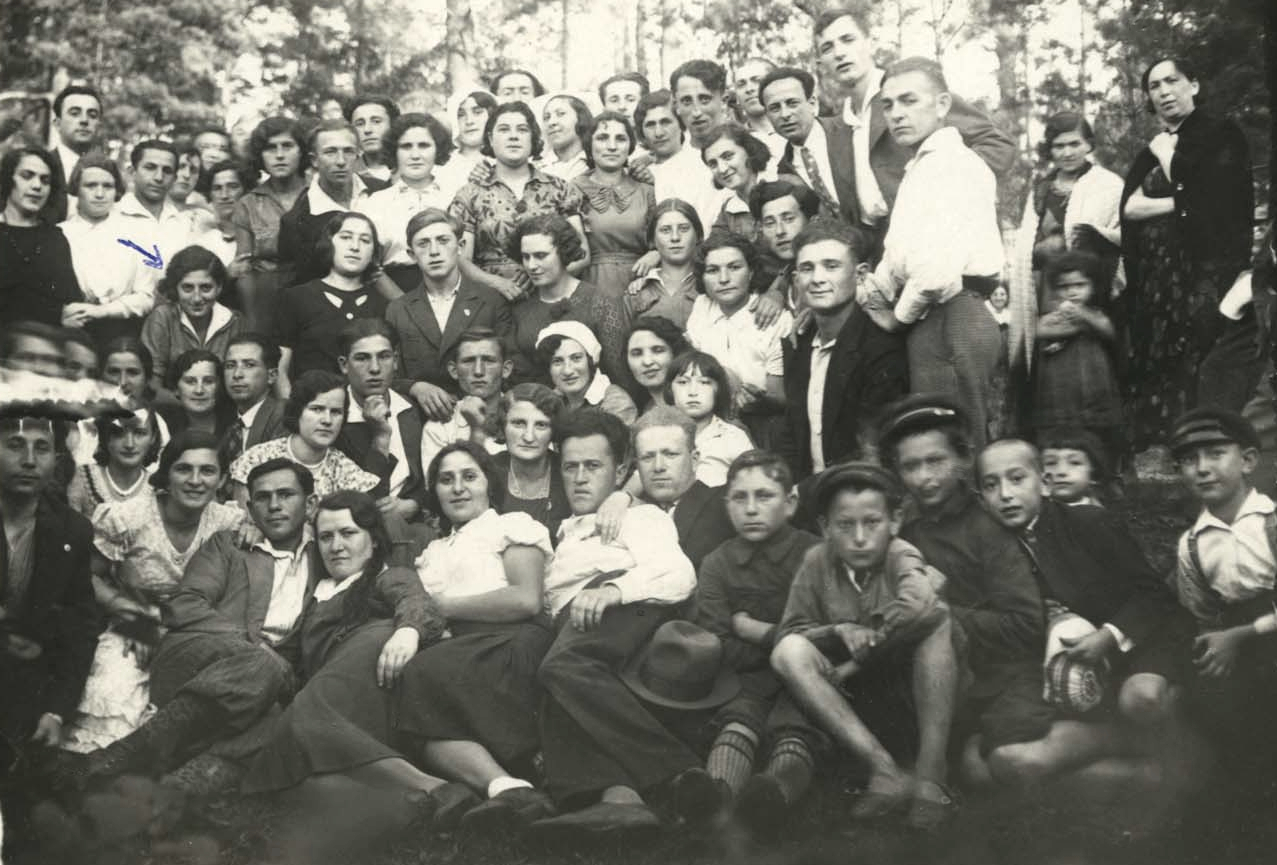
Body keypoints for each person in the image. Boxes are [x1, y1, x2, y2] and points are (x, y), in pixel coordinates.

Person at [60, 459, 319, 788]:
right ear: (250, 507)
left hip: (258, 683)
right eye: (263, 497)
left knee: (276, 717)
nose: (274, 506)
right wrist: (255, 649)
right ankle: (121, 758)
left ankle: (174, 789)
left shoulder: (323, 554)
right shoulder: (229, 545)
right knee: (263, 669)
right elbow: (187, 604)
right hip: (196, 657)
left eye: (286, 495)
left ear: (310, 503)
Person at [975, 438, 1192, 789]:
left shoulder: (1088, 522)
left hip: (1138, 639)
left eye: (1016, 479)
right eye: (990, 485)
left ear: (1044, 483)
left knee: (1142, 697)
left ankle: (1168, 737)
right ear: (981, 498)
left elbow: (1154, 595)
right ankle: (1131, 760)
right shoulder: (994, 545)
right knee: (995, 764)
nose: (1005, 494)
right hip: (1070, 660)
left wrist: (1108, 635)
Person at [527, 409, 698, 834]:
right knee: (557, 680)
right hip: (577, 614)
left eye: (593, 466)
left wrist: (612, 590)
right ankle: (619, 801)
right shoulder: (566, 529)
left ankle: (681, 771)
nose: (580, 478)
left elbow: (679, 574)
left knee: (562, 666)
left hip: (624, 603)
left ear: (621, 471)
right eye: (570, 467)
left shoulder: (638, 516)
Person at [772, 462, 959, 830]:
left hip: (919, 694)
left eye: (872, 522)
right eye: (845, 525)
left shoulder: (901, 554)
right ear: (825, 527)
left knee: (938, 619)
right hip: (861, 704)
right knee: (788, 651)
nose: (859, 538)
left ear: (895, 521)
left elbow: (921, 605)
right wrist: (838, 630)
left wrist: (864, 647)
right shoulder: (816, 562)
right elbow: (788, 631)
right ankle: (885, 770)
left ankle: (931, 774)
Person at [877, 396, 1051, 784]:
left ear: (962, 460)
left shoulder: (986, 526)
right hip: (930, 675)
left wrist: (942, 610)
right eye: (910, 466)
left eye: (935, 461)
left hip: (1000, 676)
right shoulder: (902, 527)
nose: (924, 477)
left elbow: (1025, 624)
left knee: (988, 768)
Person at [241, 491, 448, 800]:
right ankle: (429, 794)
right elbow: (293, 653)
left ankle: (433, 789)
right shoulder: (319, 593)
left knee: (305, 719)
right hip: (335, 690)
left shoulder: (386, 576)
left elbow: (414, 599)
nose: (336, 546)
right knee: (308, 776)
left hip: (373, 675)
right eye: (326, 537)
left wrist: (407, 632)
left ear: (373, 540)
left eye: (348, 533)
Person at [396, 443, 558, 829]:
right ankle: (507, 787)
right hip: (457, 652)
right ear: (435, 491)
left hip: (512, 641)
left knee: (420, 674)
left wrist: (443, 607)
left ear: (489, 483)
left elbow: (525, 599)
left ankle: (520, 769)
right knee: (416, 702)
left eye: (469, 476)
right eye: (446, 480)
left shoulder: (511, 525)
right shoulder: (433, 550)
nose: (458, 488)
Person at [60, 431, 245, 753]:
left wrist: (253, 527)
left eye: (207, 471)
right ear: (166, 474)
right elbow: (85, 576)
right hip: (134, 626)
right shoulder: (129, 517)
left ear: (223, 479)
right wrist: (130, 612)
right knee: (114, 693)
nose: (195, 481)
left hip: (195, 633)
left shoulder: (229, 522)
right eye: (183, 469)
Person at [859, 58, 1007, 449]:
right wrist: (870, 290)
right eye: (888, 105)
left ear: (942, 105)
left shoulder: (953, 165)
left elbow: (935, 271)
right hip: (934, 316)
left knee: (956, 443)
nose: (896, 114)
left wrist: (897, 320)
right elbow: (900, 253)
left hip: (954, 313)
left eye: (909, 100)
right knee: (940, 441)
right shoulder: (923, 167)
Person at [1121, 57, 1258, 453]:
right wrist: (1179, 199)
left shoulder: (1221, 134)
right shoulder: (1152, 148)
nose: (1164, 92)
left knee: (1200, 355)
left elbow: (1213, 202)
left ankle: (1204, 448)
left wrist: (1168, 157)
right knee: (1161, 356)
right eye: (1154, 86)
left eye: (1172, 81)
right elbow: (1129, 208)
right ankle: (1164, 448)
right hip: (1159, 277)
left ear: (1193, 85)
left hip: (1205, 271)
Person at [687, 450, 822, 830]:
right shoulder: (717, 563)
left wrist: (754, 631)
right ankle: (716, 799)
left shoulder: (815, 554)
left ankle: (774, 795)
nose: (750, 509)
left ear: (790, 502)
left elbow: (826, 635)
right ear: (726, 504)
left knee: (795, 728)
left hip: (809, 677)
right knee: (738, 720)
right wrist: (775, 642)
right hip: (747, 678)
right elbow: (718, 641)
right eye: (739, 498)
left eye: (764, 496)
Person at [812, 7, 1016, 228]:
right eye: (827, 48)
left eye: (848, 40)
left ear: (870, 43)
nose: (839, 53)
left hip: (931, 232)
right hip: (878, 243)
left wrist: (937, 183)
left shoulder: (913, 93)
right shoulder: (841, 125)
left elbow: (998, 147)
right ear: (821, 63)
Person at [1168, 408, 1277, 775]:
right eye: (1189, 460)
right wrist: (1215, 647)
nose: (1202, 468)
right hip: (1236, 646)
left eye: (1216, 454)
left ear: (1248, 461)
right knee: (1216, 713)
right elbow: (1202, 614)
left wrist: (1241, 636)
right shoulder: (1192, 544)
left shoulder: (1271, 524)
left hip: (1264, 634)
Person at [0, 406, 100, 774]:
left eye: (41, 448)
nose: (29, 460)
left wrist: (56, 710)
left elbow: (80, 628)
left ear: (56, 460)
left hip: (24, 685)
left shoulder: (72, 530)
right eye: (15, 445)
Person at [779, 220, 908, 477]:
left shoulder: (880, 349)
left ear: (860, 275)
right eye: (807, 268)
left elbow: (874, 452)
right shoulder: (797, 343)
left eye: (831, 266)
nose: (817, 279)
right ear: (796, 279)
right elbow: (793, 434)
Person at [1009, 112, 1124, 371]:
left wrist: (1088, 239)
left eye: (1074, 144)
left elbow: (1123, 237)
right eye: (1059, 146)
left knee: (1089, 357)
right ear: (1049, 149)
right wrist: (1041, 248)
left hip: (1092, 290)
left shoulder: (1108, 185)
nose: (1067, 152)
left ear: (1088, 145)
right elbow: (1026, 245)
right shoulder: (1041, 190)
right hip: (1047, 289)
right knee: (1050, 362)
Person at [449, 101, 588, 303]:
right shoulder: (469, 194)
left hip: (551, 298)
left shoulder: (560, 189)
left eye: (522, 130)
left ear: (533, 138)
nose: (513, 136)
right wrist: (497, 283)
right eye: (504, 129)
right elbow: (460, 258)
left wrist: (544, 275)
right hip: (489, 300)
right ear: (490, 138)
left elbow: (582, 254)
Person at [383, 208, 512, 417]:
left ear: (460, 246)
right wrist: (415, 387)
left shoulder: (491, 301)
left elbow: (512, 366)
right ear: (411, 254)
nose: (434, 251)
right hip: (420, 417)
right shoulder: (399, 309)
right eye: (423, 244)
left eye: (443, 241)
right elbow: (387, 374)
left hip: (483, 416)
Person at [686, 230, 790, 446]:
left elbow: (780, 397)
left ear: (751, 272)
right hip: (710, 419)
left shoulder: (775, 319)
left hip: (763, 425)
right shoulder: (702, 307)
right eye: (713, 270)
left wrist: (756, 400)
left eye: (734, 267)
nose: (724, 279)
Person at [275, 211, 389, 394]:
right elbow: (280, 370)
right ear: (328, 243)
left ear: (374, 252)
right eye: (346, 237)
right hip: (311, 406)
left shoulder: (383, 304)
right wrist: (290, 407)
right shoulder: (296, 297)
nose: (355, 247)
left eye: (365, 240)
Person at [229, 370, 380, 504]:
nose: (327, 420)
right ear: (297, 411)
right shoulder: (259, 458)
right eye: (317, 409)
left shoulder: (344, 469)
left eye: (336, 412)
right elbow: (244, 518)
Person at [508, 214, 628, 382]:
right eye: (526, 257)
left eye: (540, 256)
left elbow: (619, 374)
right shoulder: (521, 308)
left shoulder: (599, 302)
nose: (531, 265)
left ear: (564, 252)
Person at [277, 120, 391, 290]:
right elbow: (296, 288)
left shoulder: (382, 191)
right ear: (314, 160)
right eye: (330, 152)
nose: (341, 161)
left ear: (358, 155)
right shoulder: (297, 220)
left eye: (348, 151)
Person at [334, 319, 428, 523]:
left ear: (396, 361)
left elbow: (431, 476)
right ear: (344, 365)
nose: (375, 368)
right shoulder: (332, 417)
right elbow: (357, 497)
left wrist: (415, 504)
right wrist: (380, 438)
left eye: (384, 356)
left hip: (415, 526)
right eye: (362, 358)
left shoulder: (414, 409)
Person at [1032, 251, 1122, 456]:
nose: (1072, 292)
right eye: (1064, 287)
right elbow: (1038, 331)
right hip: (1059, 388)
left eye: (1080, 285)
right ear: (1054, 290)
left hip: (1093, 384)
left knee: (1096, 434)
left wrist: (1083, 315)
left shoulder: (1095, 313)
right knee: (1058, 428)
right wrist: (1070, 328)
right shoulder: (1052, 316)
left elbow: (1109, 330)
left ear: (1092, 286)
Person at [58, 154, 153, 348]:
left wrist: (104, 311)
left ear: (117, 190)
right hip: (72, 335)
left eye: (108, 186)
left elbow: (146, 296)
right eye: (91, 185)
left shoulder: (136, 234)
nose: (100, 194)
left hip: (123, 336)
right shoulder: (60, 234)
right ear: (76, 188)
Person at [359, 113, 455, 293]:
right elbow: (370, 266)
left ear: (438, 150)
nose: (415, 155)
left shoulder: (454, 196)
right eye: (406, 146)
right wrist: (402, 304)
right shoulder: (376, 203)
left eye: (424, 145)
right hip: (393, 292)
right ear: (394, 152)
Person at [631, 406, 734, 572]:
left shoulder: (723, 507)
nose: (658, 467)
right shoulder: (629, 511)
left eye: (670, 454)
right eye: (647, 457)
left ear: (694, 460)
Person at [232, 116, 308, 334]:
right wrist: (253, 322)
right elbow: (244, 269)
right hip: (267, 297)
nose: (279, 155)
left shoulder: (318, 194)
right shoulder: (248, 204)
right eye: (270, 148)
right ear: (260, 155)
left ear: (301, 151)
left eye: (287, 146)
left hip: (313, 291)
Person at [573, 111, 656, 302]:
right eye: (602, 138)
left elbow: (665, 240)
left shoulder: (646, 191)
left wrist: (656, 254)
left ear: (630, 146)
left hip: (639, 286)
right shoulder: (573, 190)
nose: (612, 146)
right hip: (590, 284)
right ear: (589, 144)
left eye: (620, 139)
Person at [141, 245, 244, 395]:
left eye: (206, 288)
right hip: (170, 404)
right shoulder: (162, 318)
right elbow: (151, 385)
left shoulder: (234, 321)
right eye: (187, 288)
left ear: (219, 287)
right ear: (176, 288)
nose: (196, 298)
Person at [764, 67, 859, 227]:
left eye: (792, 103)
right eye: (775, 108)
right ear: (767, 116)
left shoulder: (850, 131)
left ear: (812, 103)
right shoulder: (784, 171)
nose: (785, 114)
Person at [0, 146, 83, 328]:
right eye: (27, 176)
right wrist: (54, 314)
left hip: (49, 336)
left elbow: (70, 300)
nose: (37, 186)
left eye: (45, 180)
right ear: (7, 179)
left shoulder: (55, 238)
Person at [419, 328, 511, 472]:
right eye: (468, 361)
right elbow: (439, 483)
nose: (478, 371)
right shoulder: (440, 427)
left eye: (489, 361)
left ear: (505, 369)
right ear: (454, 370)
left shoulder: (526, 414)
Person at [659, 60, 735, 231]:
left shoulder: (752, 152)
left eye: (705, 99)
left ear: (723, 100)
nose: (696, 112)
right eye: (687, 101)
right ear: (676, 106)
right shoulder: (668, 173)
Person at [490, 383, 571, 537]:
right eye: (519, 423)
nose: (528, 437)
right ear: (503, 425)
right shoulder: (487, 472)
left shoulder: (571, 472)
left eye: (541, 425)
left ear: (553, 431)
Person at [114, 141, 196, 293]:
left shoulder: (184, 223)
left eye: (167, 171)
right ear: (132, 172)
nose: (159, 177)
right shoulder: (112, 217)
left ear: (174, 178)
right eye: (150, 167)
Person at [667, 351, 753, 488]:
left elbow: (753, 483)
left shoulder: (734, 437)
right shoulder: (659, 434)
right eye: (683, 382)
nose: (693, 392)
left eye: (704, 382)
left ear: (717, 390)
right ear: (670, 390)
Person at [67, 407, 162, 519]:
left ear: (153, 437)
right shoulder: (82, 479)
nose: (129, 444)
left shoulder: (158, 489)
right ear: (105, 435)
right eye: (119, 433)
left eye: (139, 433)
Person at [537, 322, 637, 425]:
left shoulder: (616, 403)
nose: (567, 371)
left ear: (590, 361)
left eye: (576, 358)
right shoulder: (550, 400)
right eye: (557, 361)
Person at [624, 199, 703, 326]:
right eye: (665, 230)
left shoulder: (710, 287)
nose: (675, 237)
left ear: (698, 235)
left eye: (684, 229)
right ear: (652, 239)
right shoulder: (636, 294)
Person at [701, 124, 779, 247]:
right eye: (713, 164)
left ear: (749, 151)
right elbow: (712, 248)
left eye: (728, 156)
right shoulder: (728, 211)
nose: (722, 169)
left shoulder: (782, 186)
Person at [750, 180, 820, 312]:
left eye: (788, 219)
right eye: (770, 223)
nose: (780, 231)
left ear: (812, 222)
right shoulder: (761, 274)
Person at [42, 83, 103, 224]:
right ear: (57, 124)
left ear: (99, 126)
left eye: (92, 115)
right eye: (75, 113)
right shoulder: (41, 166)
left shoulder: (109, 172)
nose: (84, 121)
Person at [222, 334, 287, 464]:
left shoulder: (283, 417)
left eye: (249, 365)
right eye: (230, 365)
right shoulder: (228, 422)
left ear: (272, 376)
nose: (237, 374)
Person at [159, 349, 237, 440]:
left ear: (220, 386)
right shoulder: (161, 426)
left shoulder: (236, 426)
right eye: (190, 382)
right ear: (176, 388)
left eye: (208, 381)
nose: (199, 390)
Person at [435, 90, 498, 201]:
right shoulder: (443, 167)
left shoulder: (505, 161)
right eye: (460, 115)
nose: (469, 121)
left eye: (477, 112)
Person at [193, 160, 255, 267]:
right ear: (209, 195)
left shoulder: (263, 235)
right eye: (217, 188)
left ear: (246, 191)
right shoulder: (204, 244)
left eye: (233, 186)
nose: (224, 195)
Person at [625, 315, 689, 414]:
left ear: (675, 353)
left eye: (658, 350)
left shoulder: (695, 404)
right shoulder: (644, 411)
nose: (647, 362)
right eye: (637, 353)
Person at [731, 58, 786, 167]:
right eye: (741, 84)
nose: (749, 89)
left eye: (757, 81)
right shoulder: (735, 142)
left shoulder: (800, 129)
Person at [1040, 427, 1110, 507]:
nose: (1061, 471)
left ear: (1094, 474)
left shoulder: (1103, 513)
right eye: (1050, 463)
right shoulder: (1033, 512)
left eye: (1075, 463)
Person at [347, 94, 399, 183]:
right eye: (360, 124)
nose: (367, 130)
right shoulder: (348, 173)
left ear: (392, 125)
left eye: (376, 122)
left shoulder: (409, 167)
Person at [541, 94, 591, 182]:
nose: (551, 122)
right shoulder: (536, 168)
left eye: (561, 114)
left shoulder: (596, 163)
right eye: (546, 118)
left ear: (581, 119)